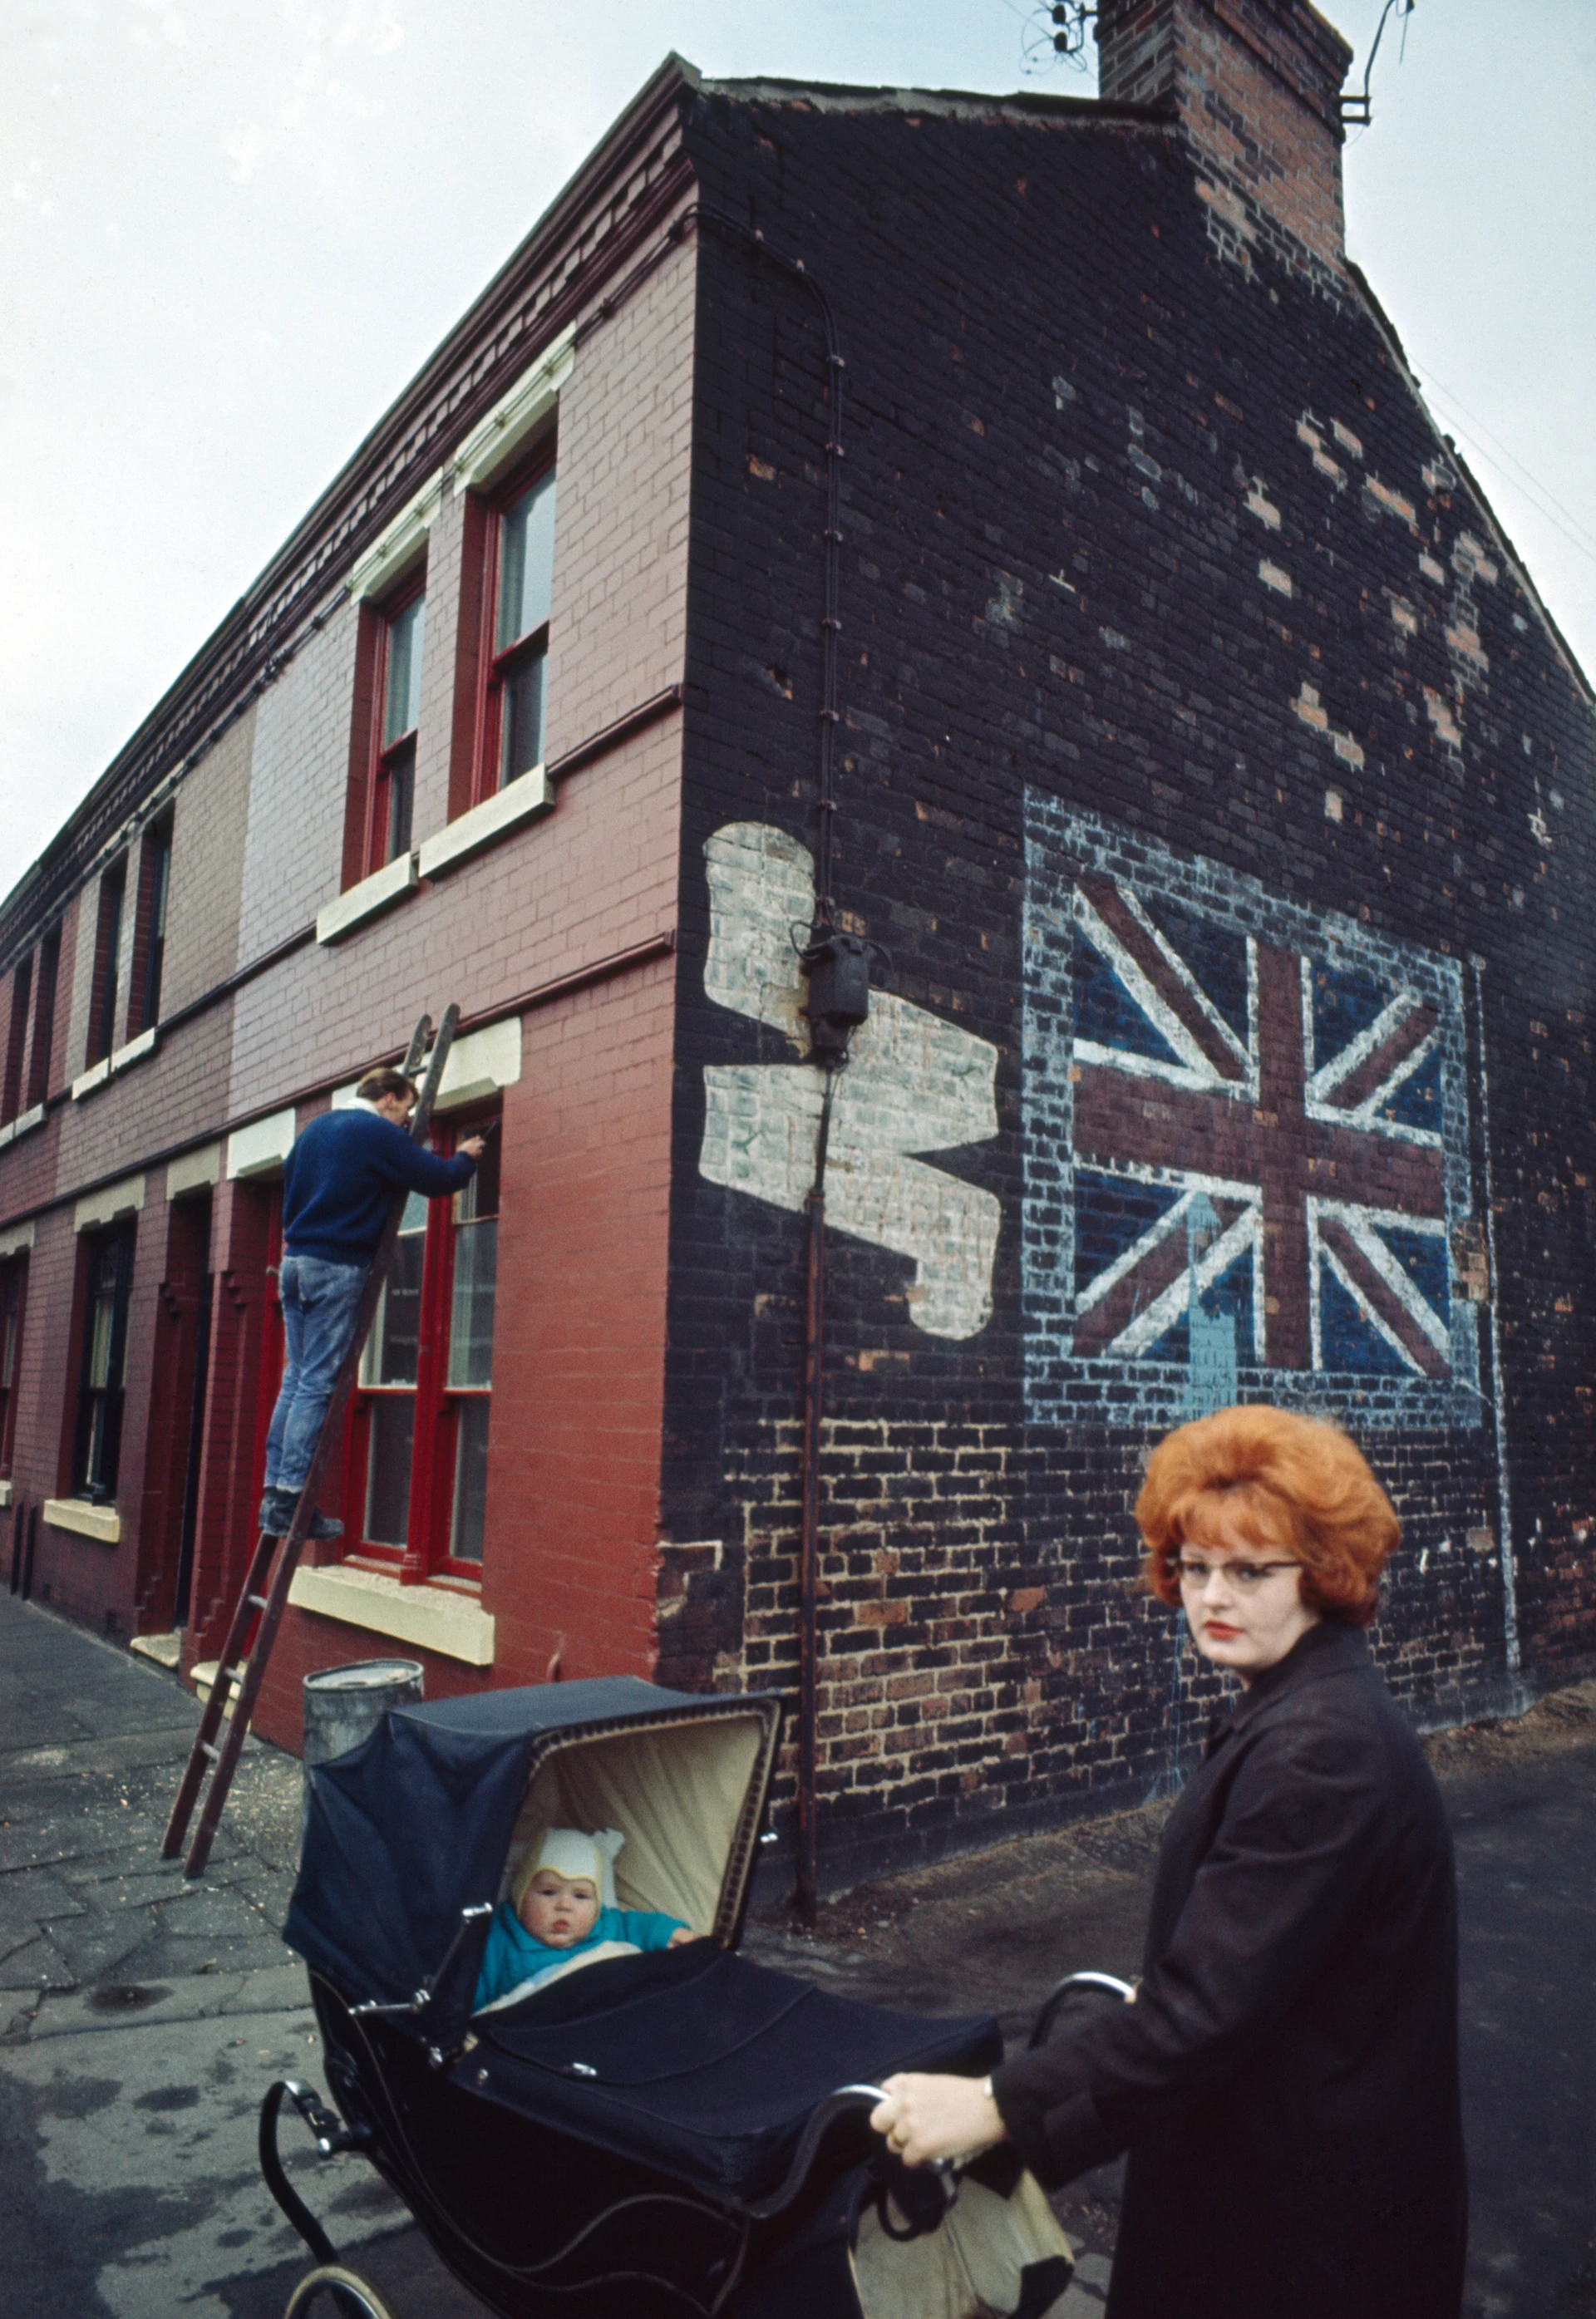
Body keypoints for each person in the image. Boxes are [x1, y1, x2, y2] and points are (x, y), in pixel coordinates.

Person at [868, 1404, 1466, 2319]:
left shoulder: (1320, 1748)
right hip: (1283, 2182)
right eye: (1194, 1567)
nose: (1212, 1597)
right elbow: (1248, 1979)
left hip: (1298, 2234)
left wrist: (993, 2105)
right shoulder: (1301, 1706)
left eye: (1249, 1571)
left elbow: (1199, 2019)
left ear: (1323, 1575)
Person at [259, 1067, 485, 1538]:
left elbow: (298, 1189)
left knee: (296, 1379)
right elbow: (438, 1179)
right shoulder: (375, 1132)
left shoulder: (315, 1129)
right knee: (317, 1382)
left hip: (296, 1263)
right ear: (387, 1097)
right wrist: (465, 1158)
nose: (405, 1121)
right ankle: (290, 1500)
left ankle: (274, 1496)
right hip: (335, 1267)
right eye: (404, 1109)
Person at [473, 1827, 703, 2012]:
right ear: (521, 1896)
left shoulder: (604, 1926)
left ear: (596, 1906)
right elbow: (471, 1995)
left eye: (581, 1896)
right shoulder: (497, 1940)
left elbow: (637, 1926)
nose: (564, 1906)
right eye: (549, 1892)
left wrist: (669, 1934)